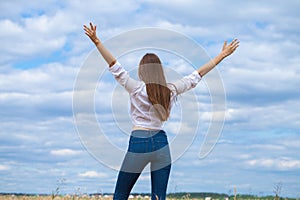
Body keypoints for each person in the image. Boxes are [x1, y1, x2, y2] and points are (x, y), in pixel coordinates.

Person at [83, 22, 239, 200]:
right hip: (161, 144)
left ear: (142, 72)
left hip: (139, 142)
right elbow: (198, 74)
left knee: (120, 194)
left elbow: (114, 65)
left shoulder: (135, 88)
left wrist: (97, 41)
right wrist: (222, 55)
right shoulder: (170, 90)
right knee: (159, 197)